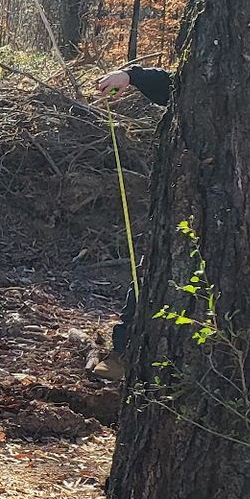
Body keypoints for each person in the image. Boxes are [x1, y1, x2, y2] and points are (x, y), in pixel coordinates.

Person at [84, 64, 174, 381]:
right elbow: (178, 85)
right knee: (154, 268)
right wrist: (132, 76)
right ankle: (123, 355)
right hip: (182, 200)